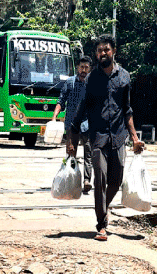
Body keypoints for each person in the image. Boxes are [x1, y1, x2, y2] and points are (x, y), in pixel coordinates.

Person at [69, 34, 145, 241]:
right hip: (97, 136)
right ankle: (101, 224)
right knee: (100, 179)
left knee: (116, 179)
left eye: (106, 50)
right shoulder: (92, 78)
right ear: (96, 54)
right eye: (99, 50)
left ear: (113, 52)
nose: (103, 53)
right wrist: (72, 140)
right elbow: (81, 108)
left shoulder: (125, 77)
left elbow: (127, 110)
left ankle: (105, 207)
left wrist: (135, 139)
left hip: (119, 136)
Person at [53, 56, 93, 193]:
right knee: (70, 153)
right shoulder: (70, 83)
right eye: (82, 67)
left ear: (90, 69)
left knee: (89, 153)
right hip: (71, 124)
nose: (84, 70)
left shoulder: (93, 84)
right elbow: (61, 101)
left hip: (88, 124)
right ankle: (70, 180)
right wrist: (54, 117)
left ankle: (87, 180)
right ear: (77, 68)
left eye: (86, 67)